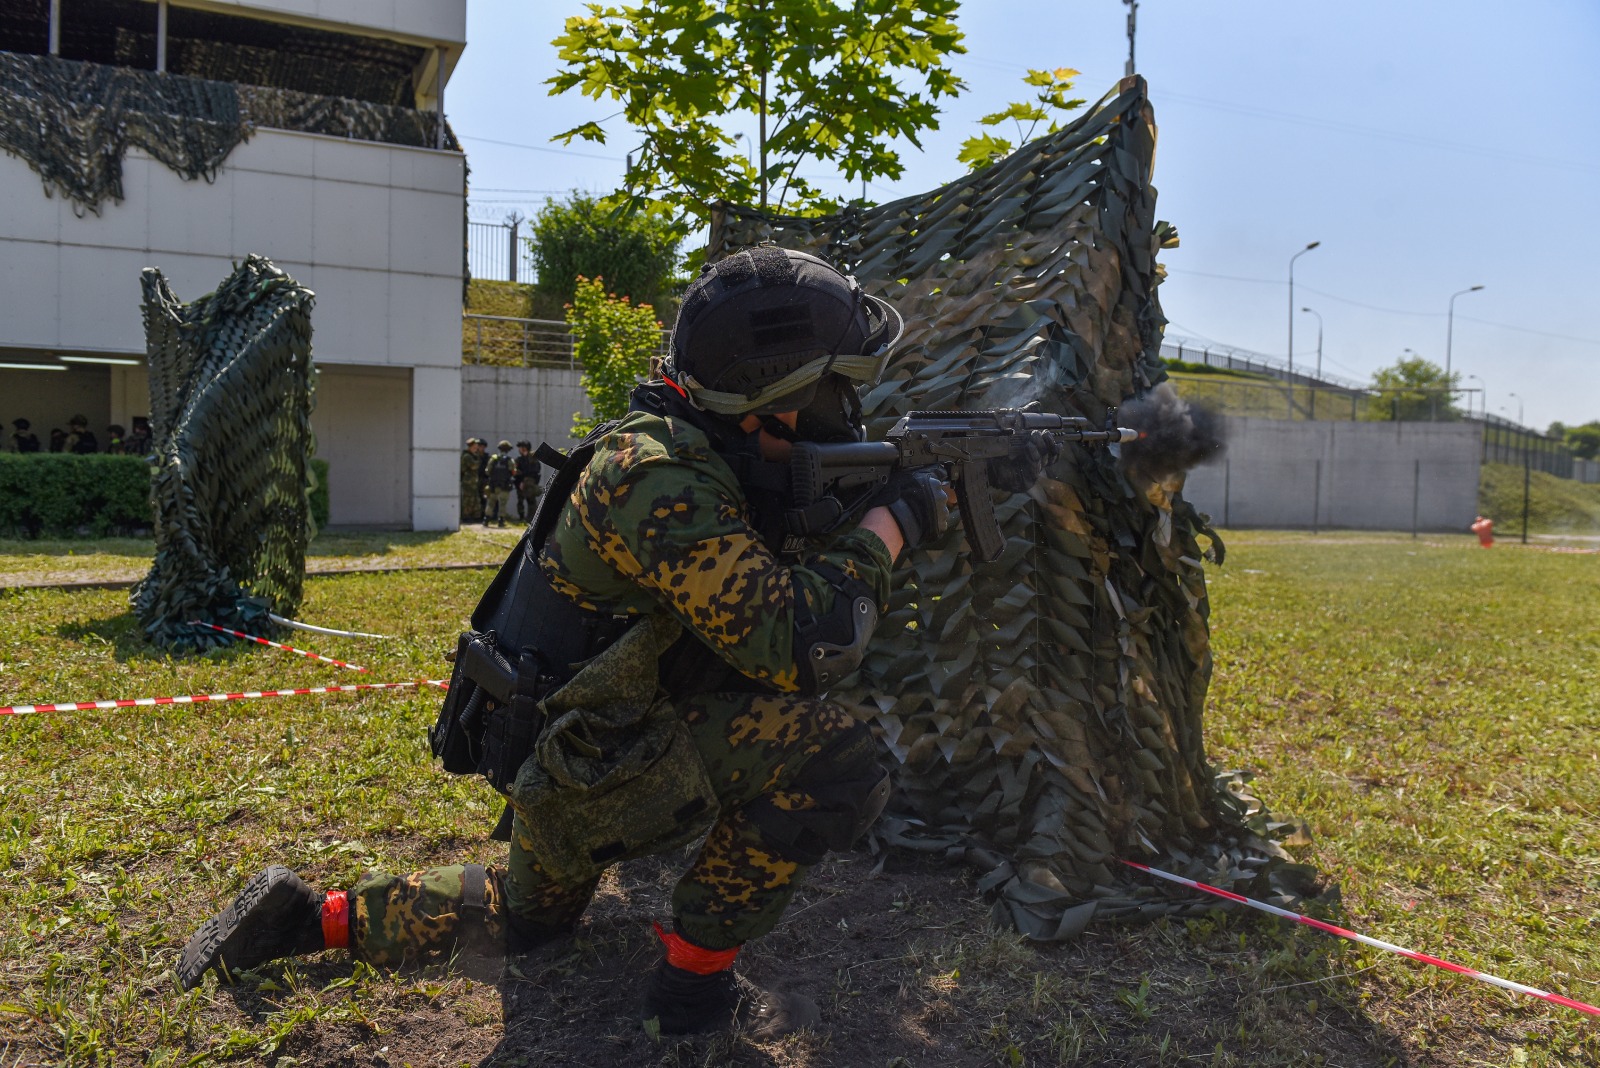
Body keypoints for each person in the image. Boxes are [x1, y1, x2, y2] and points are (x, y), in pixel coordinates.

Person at [176, 248, 1055, 1036]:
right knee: (842, 762)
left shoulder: (692, 443)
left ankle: (309, 917)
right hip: (594, 762)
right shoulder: (657, 478)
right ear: (774, 395)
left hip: (581, 748)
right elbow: (805, 643)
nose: (852, 405)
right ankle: (692, 994)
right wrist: (893, 521)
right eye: (839, 384)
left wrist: (899, 486)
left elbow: (757, 568)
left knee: (528, 925)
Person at [484, 441, 516, 527]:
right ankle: (501, 521)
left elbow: (487, 471)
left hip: (493, 485)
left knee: (491, 503)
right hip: (504, 486)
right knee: (503, 504)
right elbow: (513, 472)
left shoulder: (493, 459)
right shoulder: (509, 460)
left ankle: (486, 519)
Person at [460, 437, 487, 524]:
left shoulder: (473, 455)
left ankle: (475, 516)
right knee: (468, 500)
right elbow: (474, 466)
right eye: (475, 446)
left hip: (473, 482)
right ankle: (466, 516)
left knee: (475, 500)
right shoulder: (467, 456)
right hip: (468, 482)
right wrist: (478, 458)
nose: (476, 448)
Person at [512, 440, 541, 523]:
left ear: (525, 448)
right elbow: (516, 472)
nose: (519, 449)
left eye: (521, 448)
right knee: (520, 501)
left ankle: (531, 519)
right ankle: (521, 518)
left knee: (531, 501)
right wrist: (520, 480)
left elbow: (535, 471)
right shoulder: (519, 460)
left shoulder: (533, 459)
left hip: (530, 483)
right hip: (520, 483)